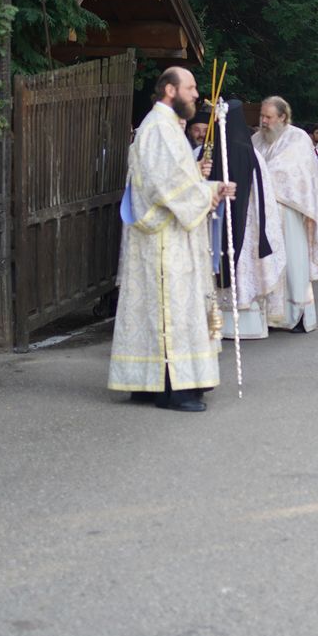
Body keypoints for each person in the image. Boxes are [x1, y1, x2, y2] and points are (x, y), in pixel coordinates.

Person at [110, 67, 233, 412]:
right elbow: (166, 187)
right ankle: (173, 389)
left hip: (167, 236)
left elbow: (170, 180)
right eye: (190, 88)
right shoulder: (160, 128)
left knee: (158, 307)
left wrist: (206, 186)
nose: (196, 95)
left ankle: (148, 382)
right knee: (172, 310)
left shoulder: (163, 127)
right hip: (166, 240)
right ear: (169, 90)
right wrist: (208, 193)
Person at [253, 96, 318, 332]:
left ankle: (298, 315)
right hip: (262, 214)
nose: (263, 121)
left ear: (283, 117)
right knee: (267, 264)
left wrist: (256, 177)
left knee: (294, 264)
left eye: (268, 117)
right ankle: (270, 316)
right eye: (261, 116)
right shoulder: (256, 140)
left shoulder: (297, 138)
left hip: (289, 212)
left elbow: (287, 172)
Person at [209, 101, 275, 339]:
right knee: (243, 269)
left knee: (224, 264)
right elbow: (264, 193)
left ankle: (221, 325)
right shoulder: (252, 153)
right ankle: (247, 326)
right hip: (247, 222)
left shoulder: (216, 151)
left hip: (220, 222)